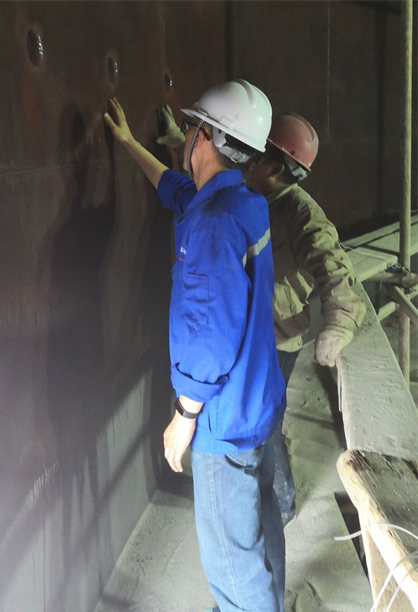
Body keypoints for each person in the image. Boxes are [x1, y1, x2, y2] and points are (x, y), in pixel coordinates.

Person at [104, 81, 287, 612]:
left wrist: (184, 416)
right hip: (257, 403)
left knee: (232, 564)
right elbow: (177, 190)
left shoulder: (211, 226)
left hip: (222, 422)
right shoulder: (243, 204)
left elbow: (209, 341)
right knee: (261, 532)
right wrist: (129, 144)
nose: (184, 135)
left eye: (189, 127)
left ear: (204, 136)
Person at [247, 112, 367, 525]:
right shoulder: (260, 194)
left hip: (278, 340)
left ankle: (282, 503)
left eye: (255, 155)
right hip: (255, 333)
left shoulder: (300, 212)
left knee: (267, 425)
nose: (246, 161)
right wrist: (182, 143)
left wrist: (339, 323)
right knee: (259, 420)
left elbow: (333, 264)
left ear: (275, 168)